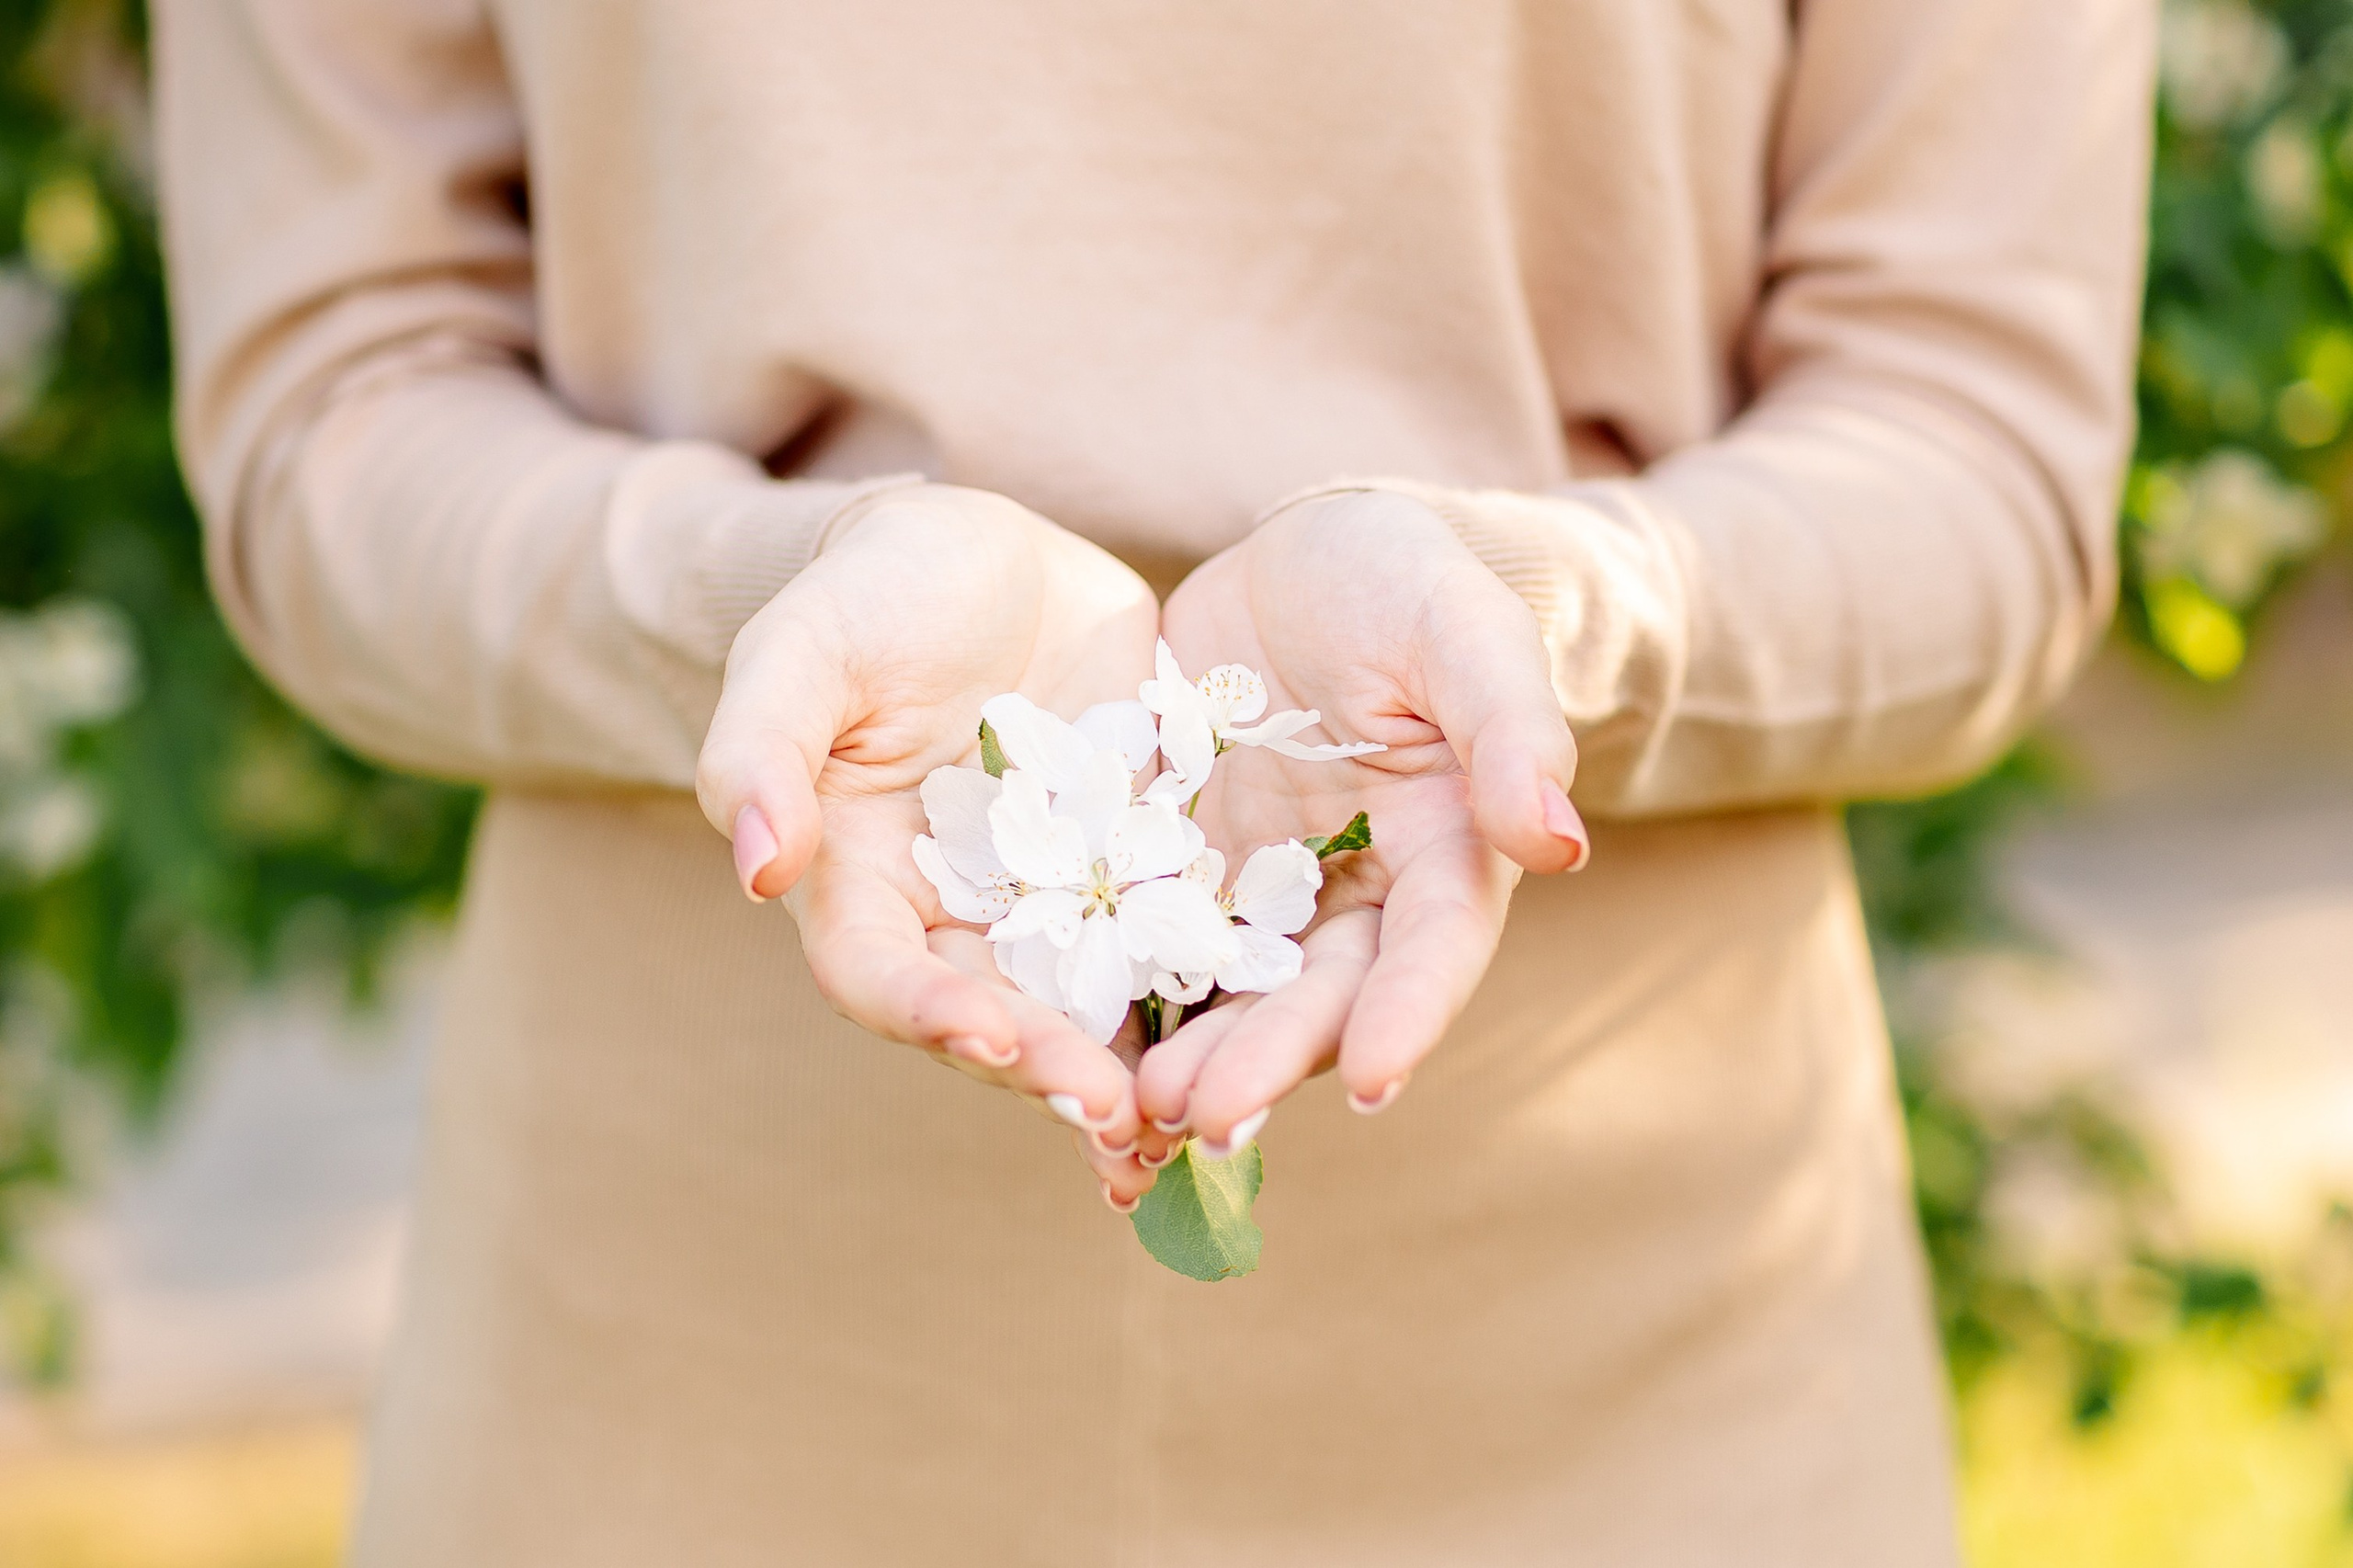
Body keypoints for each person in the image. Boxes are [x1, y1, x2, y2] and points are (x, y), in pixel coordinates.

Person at [153, 1, 2154, 1562]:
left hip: (1634, 1355)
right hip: (680, 1365)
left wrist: (1525, 623)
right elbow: (335, 404)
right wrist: (770, 606)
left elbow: (1978, 445)